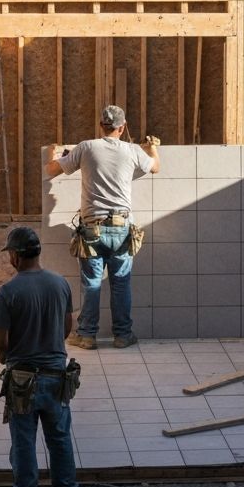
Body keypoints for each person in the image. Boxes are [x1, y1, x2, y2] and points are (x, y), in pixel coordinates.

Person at [45, 105, 159, 350]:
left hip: (92, 229)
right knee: (121, 282)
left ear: (100, 126)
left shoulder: (86, 147)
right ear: (122, 126)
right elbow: (155, 167)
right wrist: (152, 148)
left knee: (92, 283)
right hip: (121, 228)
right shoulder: (131, 150)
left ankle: (86, 336)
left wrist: (53, 155)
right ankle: (123, 335)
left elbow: (52, 170)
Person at [0, 226, 78, 487]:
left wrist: (12, 359)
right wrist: (51, 346)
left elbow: (0, 344)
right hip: (56, 376)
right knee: (60, 441)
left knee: (24, 443)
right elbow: (67, 326)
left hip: (22, 381)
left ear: (15, 256)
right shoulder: (60, 284)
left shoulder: (8, 292)